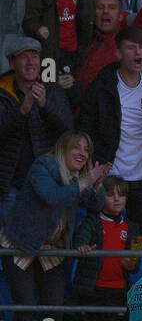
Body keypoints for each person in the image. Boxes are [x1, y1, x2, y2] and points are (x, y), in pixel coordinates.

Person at [1, 131, 108, 321]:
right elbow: (51, 196)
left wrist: (96, 184)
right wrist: (84, 183)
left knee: (52, 311)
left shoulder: (79, 177)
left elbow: (96, 204)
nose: (82, 153)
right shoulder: (44, 166)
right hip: (20, 245)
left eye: (86, 150)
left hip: (52, 249)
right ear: (62, 149)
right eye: (77, 148)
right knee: (25, 307)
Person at [76, 27, 142, 241]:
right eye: (131, 48)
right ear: (118, 53)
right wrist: (95, 165)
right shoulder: (101, 87)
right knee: (102, 238)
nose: (138, 53)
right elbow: (85, 129)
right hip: (110, 176)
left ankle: (139, 275)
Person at [71, 174, 138, 321]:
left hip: (117, 289)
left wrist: (131, 264)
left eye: (122, 195)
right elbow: (79, 239)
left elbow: (134, 262)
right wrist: (82, 246)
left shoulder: (130, 227)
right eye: (110, 195)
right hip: (91, 288)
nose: (117, 200)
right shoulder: (92, 221)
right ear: (100, 198)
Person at [0, 37, 75, 205]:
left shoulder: (52, 89)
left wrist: (45, 106)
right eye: (23, 57)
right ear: (12, 63)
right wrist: (22, 110)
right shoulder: (2, 92)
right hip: (10, 186)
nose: (30, 63)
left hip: (46, 184)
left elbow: (69, 130)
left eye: (34, 57)